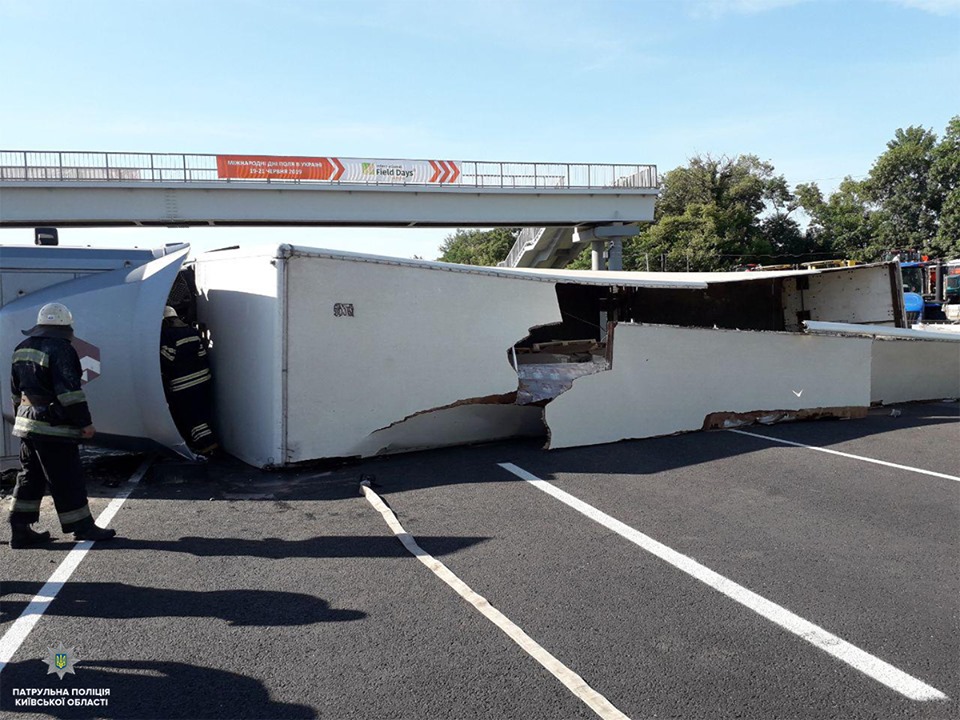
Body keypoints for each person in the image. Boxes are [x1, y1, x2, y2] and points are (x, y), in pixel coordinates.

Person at [8, 302, 115, 548]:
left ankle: (20, 529)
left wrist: (20, 416)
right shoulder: (62, 349)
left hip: (26, 424)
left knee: (29, 475)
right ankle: (82, 526)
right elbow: (70, 393)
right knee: (66, 476)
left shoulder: (21, 347)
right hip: (52, 426)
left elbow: (15, 391)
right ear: (66, 326)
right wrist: (84, 422)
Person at [160, 306, 219, 456]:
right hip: (203, 380)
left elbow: (168, 358)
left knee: (191, 418)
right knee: (202, 414)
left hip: (184, 385)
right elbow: (201, 353)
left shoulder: (167, 334)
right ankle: (208, 445)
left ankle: (207, 447)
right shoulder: (192, 331)